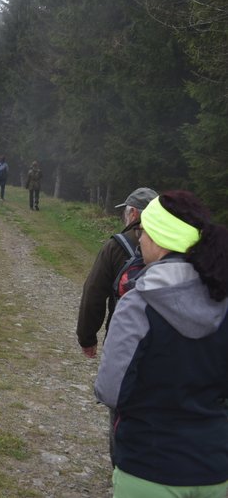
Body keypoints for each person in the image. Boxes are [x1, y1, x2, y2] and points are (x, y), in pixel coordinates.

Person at [95, 190, 228, 496]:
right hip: (214, 469)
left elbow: (110, 390)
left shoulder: (138, 304)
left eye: (142, 232)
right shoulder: (222, 300)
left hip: (149, 465)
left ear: (157, 239)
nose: (139, 240)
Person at [76, 187, 158, 358]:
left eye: (125, 212)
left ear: (133, 213)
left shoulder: (116, 246)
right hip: (162, 341)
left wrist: (87, 338)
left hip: (122, 336)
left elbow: (94, 292)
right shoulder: (172, 245)